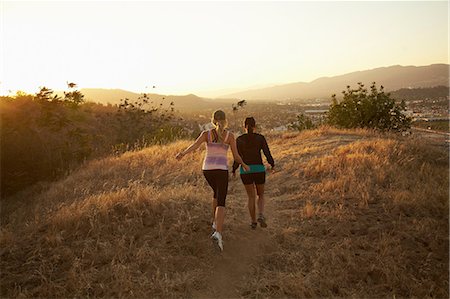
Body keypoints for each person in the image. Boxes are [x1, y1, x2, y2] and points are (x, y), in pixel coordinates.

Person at [176, 110, 249, 251]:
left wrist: (183, 154)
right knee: (221, 200)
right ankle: (218, 234)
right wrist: (245, 166)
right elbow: (236, 156)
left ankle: (215, 223)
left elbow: (195, 145)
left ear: (213, 120)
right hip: (221, 170)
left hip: (207, 170)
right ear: (225, 120)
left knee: (216, 193)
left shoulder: (206, 134)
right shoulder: (229, 136)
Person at [232, 117, 274, 229]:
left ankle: (253, 221)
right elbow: (267, 152)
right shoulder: (260, 138)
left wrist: (233, 169)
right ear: (255, 126)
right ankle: (261, 214)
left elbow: (237, 157)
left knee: (251, 197)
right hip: (259, 169)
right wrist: (272, 164)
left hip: (245, 170)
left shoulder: (239, 139)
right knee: (261, 195)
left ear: (244, 126)